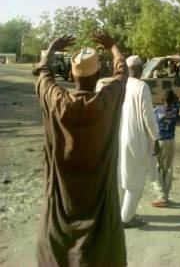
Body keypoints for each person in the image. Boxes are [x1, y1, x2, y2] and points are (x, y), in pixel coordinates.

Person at [33, 32, 128, 267]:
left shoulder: (56, 101)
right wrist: (113, 46)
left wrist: (52, 48)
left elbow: (44, 73)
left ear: (70, 74)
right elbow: (122, 73)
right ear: (98, 75)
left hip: (59, 222)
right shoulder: (107, 101)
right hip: (101, 228)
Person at [118, 55, 160, 228]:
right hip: (135, 138)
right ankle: (125, 219)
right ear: (141, 69)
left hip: (120, 137)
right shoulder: (142, 86)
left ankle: (121, 213)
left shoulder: (120, 86)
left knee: (122, 178)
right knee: (135, 183)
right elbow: (148, 117)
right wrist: (155, 138)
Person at [151, 78, 180, 207]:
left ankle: (161, 195)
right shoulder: (176, 108)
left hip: (159, 142)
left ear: (162, 99)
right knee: (168, 169)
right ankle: (166, 196)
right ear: (173, 99)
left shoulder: (157, 110)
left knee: (156, 168)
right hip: (171, 141)